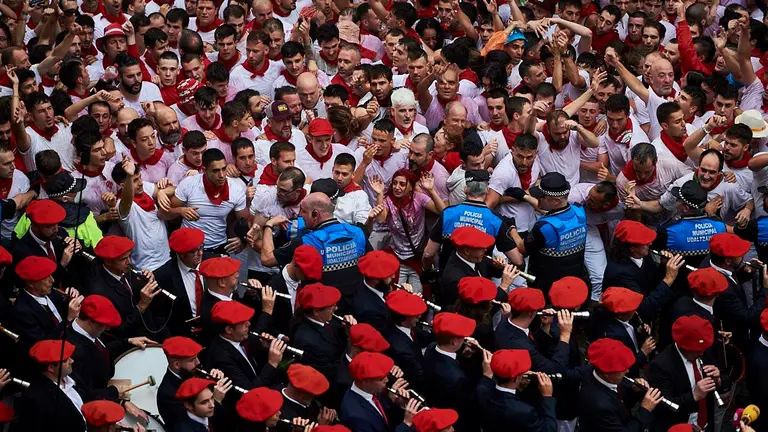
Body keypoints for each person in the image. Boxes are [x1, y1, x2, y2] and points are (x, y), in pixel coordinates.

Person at [259, 192, 371, 312]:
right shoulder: (358, 232)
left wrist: (269, 226)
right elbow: (371, 265)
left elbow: (267, 259)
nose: (300, 215)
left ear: (315, 214)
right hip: (357, 307)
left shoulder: (307, 242)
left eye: (303, 211)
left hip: (321, 311)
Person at [424, 169, 522, 271]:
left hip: (448, 277)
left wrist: (427, 270)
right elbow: (517, 260)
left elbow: (428, 254)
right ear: (487, 190)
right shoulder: (495, 220)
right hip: (479, 280)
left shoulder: (448, 214)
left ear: (465, 189)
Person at [646, 315, 728, 431]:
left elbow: (726, 377)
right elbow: (663, 407)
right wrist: (694, 396)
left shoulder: (704, 347)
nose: (701, 354)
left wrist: (718, 380)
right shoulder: (660, 366)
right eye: (696, 351)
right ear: (682, 346)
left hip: (705, 424)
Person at [368, 168, 445, 293]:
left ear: (411, 187)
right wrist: (379, 194)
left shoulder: (419, 198)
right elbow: (381, 219)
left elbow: (443, 212)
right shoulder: (388, 201)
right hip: (398, 257)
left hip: (417, 258)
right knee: (395, 294)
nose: (397, 187)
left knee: (419, 294)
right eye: (395, 183)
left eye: (402, 184)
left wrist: (431, 190)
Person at [524, 172, 588, 296]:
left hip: (547, 289)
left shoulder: (544, 227)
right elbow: (558, 213)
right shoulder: (579, 211)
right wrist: (525, 197)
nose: (538, 199)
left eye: (541, 197)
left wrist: (510, 228)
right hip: (574, 283)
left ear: (555, 201)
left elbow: (523, 248)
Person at [578, 338, 663, 431]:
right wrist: (645, 409)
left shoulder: (609, 377)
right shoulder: (599, 406)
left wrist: (633, 389)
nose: (627, 371)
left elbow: (621, 398)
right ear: (606, 373)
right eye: (622, 369)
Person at [475, 349, 558, 431]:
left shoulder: (482, 391)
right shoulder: (525, 412)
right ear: (516, 378)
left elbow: (486, 382)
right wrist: (547, 396)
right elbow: (549, 429)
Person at [14, 340, 89, 430]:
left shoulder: (72, 376)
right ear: (51, 368)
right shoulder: (37, 399)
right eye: (65, 360)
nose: (72, 361)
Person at [340, 351, 419, 432]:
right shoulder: (356, 418)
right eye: (381, 379)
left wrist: (395, 403)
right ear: (365, 381)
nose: (387, 380)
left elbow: (384, 418)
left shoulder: (372, 390)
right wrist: (406, 424)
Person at [152, 228, 205, 337]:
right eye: (194, 251)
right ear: (181, 254)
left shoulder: (212, 262)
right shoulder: (163, 276)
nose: (200, 253)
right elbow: (159, 316)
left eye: (201, 247)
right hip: (182, 336)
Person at [158, 336, 207, 430]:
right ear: (177, 364)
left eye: (197, 357)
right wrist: (216, 398)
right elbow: (192, 421)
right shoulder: (168, 394)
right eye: (192, 359)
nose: (198, 362)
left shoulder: (190, 372)